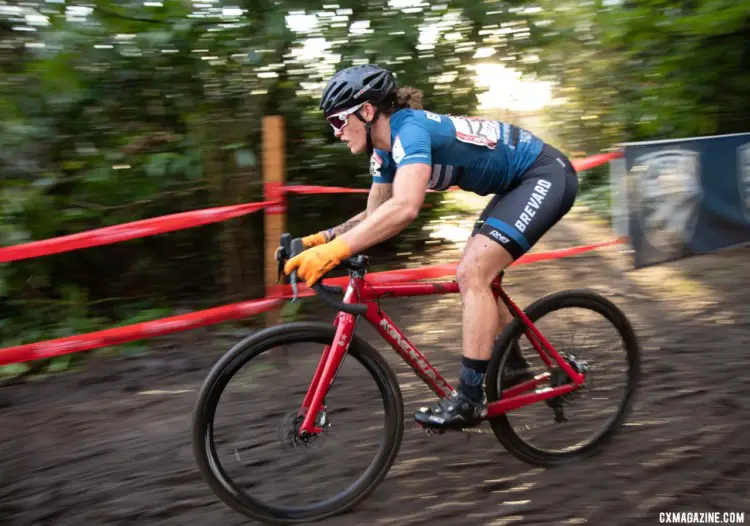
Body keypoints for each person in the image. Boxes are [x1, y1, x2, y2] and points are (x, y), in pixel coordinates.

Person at [283, 64, 578, 430]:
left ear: (367, 111)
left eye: (339, 122)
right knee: (479, 274)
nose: (337, 133)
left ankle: (470, 399)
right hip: (515, 185)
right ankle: (513, 364)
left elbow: (405, 208)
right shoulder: (383, 152)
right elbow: (375, 216)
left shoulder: (410, 130)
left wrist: (333, 252)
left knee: (472, 273)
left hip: (544, 174)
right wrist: (316, 241)